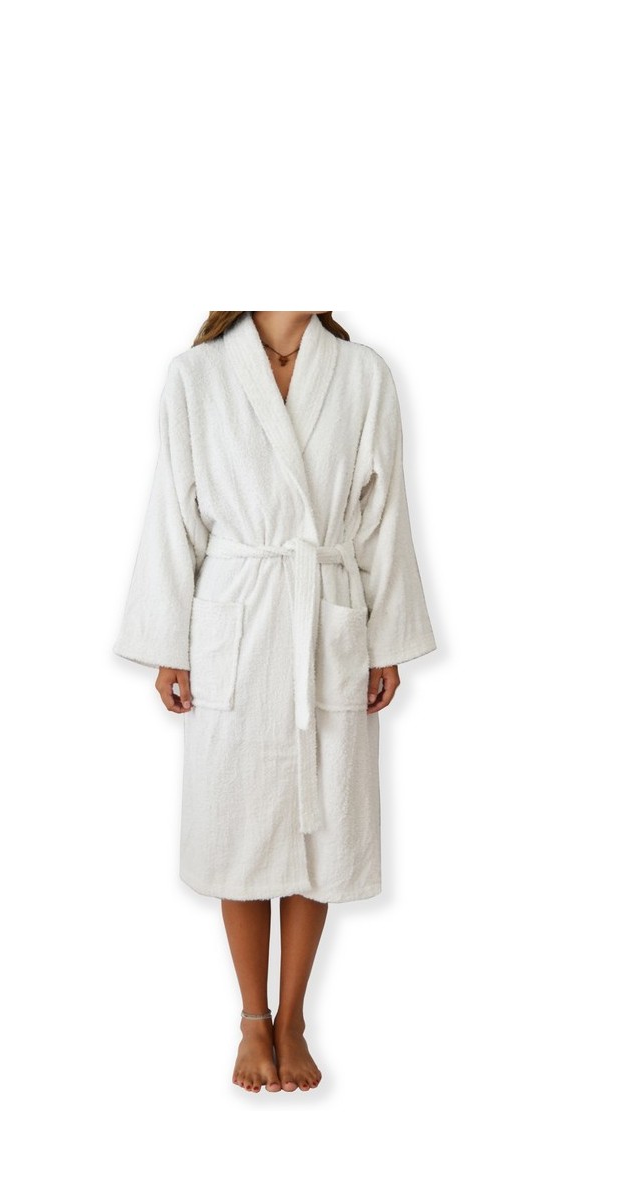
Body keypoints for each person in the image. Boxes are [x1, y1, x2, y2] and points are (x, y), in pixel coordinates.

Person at [113, 312, 436, 1094]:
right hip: (239, 614)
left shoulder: (362, 374)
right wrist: (168, 642)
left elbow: (386, 517)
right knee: (239, 823)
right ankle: (252, 1020)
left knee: (319, 823)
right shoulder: (196, 374)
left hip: (325, 613)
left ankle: (292, 1018)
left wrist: (386, 638)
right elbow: (171, 514)